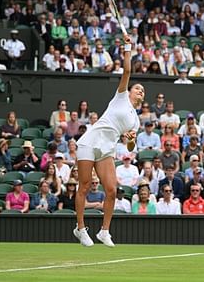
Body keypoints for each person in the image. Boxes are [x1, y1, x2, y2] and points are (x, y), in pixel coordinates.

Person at [74, 34, 142, 247]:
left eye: (143, 91)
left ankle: (104, 231)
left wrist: (129, 140)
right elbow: (128, 70)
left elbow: (130, 145)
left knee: (111, 190)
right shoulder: (120, 96)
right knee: (84, 185)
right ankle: (80, 228)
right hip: (89, 142)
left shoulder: (136, 121)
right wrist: (128, 47)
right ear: (130, 91)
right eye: (138, 88)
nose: (141, 91)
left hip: (107, 149)